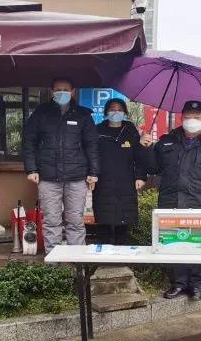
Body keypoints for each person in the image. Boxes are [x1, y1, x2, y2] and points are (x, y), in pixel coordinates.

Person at [144, 100, 201, 300]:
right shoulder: (167, 141)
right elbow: (153, 167)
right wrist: (148, 148)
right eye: (187, 117)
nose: (191, 120)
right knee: (173, 243)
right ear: (181, 118)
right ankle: (178, 283)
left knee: (199, 243)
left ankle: (196, 285)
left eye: (197, 117)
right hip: (171, 202)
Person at [23, 78, 100, 253]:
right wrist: (31, 169)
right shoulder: (41, 113)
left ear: (73, 91)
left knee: (75, 221)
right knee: (51, 221)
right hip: (48, 177)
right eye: (58, 90)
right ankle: (53, 261)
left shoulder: (83, 115)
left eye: (65, 89)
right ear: (52, 92)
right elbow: (29, 141)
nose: (62, 92)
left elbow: (92, 145)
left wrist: (94, 172)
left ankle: (77, 259)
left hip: (77, 177)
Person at [93, 98, 152, 244]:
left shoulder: (130, 130)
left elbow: (139, 157)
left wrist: (140, 176)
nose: (116, 112)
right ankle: (104, 255)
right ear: (106, 112)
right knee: (104, 222)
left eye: (119, 109)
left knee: (124, 223)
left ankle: (122, 255)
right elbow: (91, 154)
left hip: (126, 183)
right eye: (112, 109)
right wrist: (91, 174)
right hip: (103, 183)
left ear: (125, 112)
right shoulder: (97, 130)